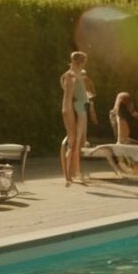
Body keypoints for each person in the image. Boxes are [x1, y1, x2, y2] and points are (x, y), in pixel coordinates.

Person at [60, 51, 89, 187]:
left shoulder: (78, 75)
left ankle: (75, 172)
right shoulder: (69, 77)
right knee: (72, 143)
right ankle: (68, 176)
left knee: (77, 143)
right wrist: (70, 114)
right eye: (84, 62)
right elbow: (67, 100)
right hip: (72, 111)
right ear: (80, 62)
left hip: (79, 110)